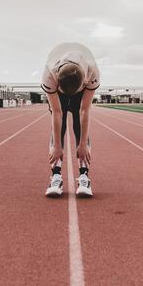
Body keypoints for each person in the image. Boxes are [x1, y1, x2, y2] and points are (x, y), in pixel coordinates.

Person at [42, 43, 100, 197]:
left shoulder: (93, 72)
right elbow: (57, 112)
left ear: (83, 82)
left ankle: (84, 176)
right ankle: (55, 176)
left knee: (78, 125)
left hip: (80, 90)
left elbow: (84, 110)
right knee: (58, 130)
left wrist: (82, 145)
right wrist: (58, 147)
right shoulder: (49, 75)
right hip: (58, 90)